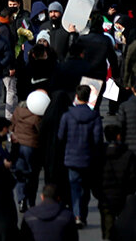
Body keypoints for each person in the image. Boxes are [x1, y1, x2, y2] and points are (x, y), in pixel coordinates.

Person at [56, 84, 103, 227]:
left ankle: (77, 214)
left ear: (76, 96)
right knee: (85, 188)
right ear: (89, 98)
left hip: (72, 157)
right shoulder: (94, 116)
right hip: (88, 158)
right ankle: (82, 213)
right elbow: (97, 139)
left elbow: (60, 136)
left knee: (74, 187)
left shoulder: (67, 115)